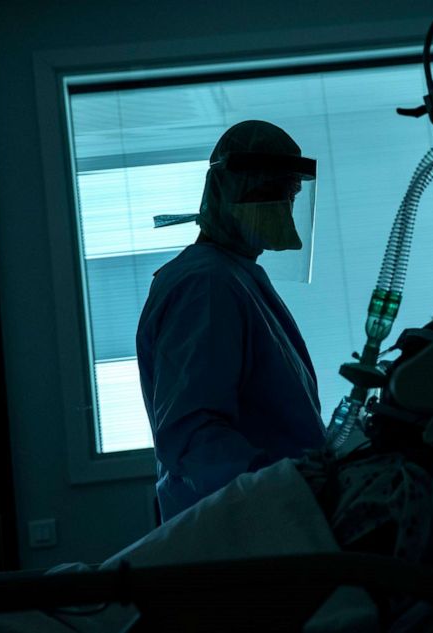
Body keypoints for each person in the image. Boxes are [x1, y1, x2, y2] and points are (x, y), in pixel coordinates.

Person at [136, 120, 325, 522]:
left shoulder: (235, 276)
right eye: (271, 193)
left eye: (290, 195)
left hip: (268, 517)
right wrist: (287, 492)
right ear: (228, 193)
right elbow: (194, 439)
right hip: (244, 524)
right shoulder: (204, 285)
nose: (283, 208)